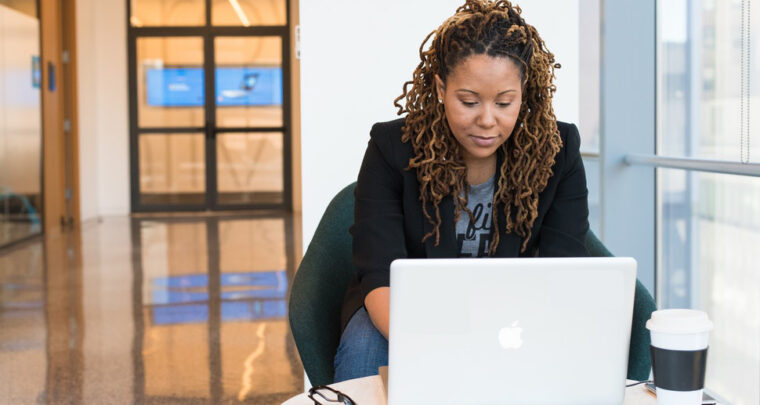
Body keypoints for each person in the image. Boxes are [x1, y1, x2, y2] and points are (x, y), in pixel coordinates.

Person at [334, 0, 590, 382]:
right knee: (363, 350)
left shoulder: (557, 150)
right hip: (406, 311)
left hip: (513, 315)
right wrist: (443, 347)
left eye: (504, 102)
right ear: (441, 87)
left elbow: (563, 273)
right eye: (469, 102)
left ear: (524, 91)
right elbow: (379, 273)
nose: (487, 120)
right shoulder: (392, 148)